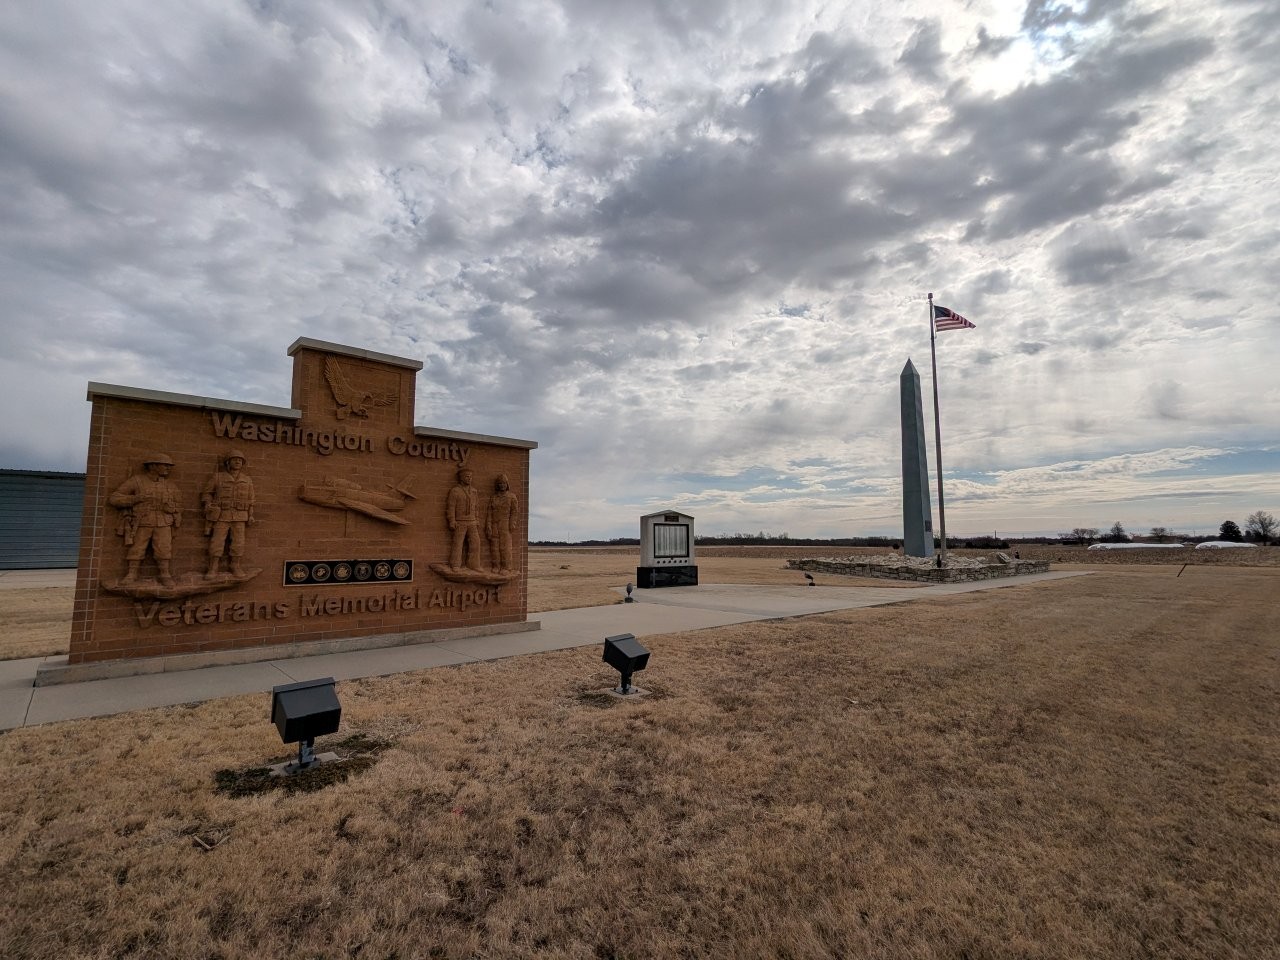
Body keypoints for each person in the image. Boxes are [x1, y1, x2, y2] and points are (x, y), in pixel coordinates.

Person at [108, 452, 182, 588]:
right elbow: (114, 498)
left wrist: (172, 508)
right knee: (137, 548)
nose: (168, 468)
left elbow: (179, 504)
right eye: (165, 465)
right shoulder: (137, 481)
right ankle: (132, 574)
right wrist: (134, 499)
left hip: (163, 522)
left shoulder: (170, 485)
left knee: (164, 549)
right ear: (153, 466)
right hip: (142, 521)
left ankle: (165, 575)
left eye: (169, 466)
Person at [201, 449, 255, 578]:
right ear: (228, 462)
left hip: (240, 515)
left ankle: (235, 565)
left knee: (238, 542)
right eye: (234, 459)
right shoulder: (218, 477)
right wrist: (208, 504)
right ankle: (213, 567)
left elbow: (251, 500)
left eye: (240, 460)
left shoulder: (247, 480)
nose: (237, 462)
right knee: (217, 541)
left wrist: (251, 515)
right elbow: (207, 493)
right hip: (222, 515)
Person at [446, 468, 482, 571]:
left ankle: (474, 564)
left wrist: (477, 519)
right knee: (458, 543)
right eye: (467, 476)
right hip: (460, 521)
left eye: (471, 477)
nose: (469, 478)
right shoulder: (455, 491)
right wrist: (452, 521)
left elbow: (476, 507)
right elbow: (451, 507)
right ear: (461, 478)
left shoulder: (474, 491)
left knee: (476, 543)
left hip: (472, 521)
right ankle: (455, 564)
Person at [485, 474, 519, 573]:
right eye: (500, 483)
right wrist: (488, 525)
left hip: (505, 524)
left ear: (507, 484)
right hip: (494, 524)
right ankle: (496, 566)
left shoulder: (512, 497)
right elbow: (489, 512)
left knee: (505, 547)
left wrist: (512, 524)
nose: (501, 485)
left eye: (503, 483)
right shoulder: (494, 497)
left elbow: (514, 512)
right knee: (494, 547)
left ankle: (506, 567)